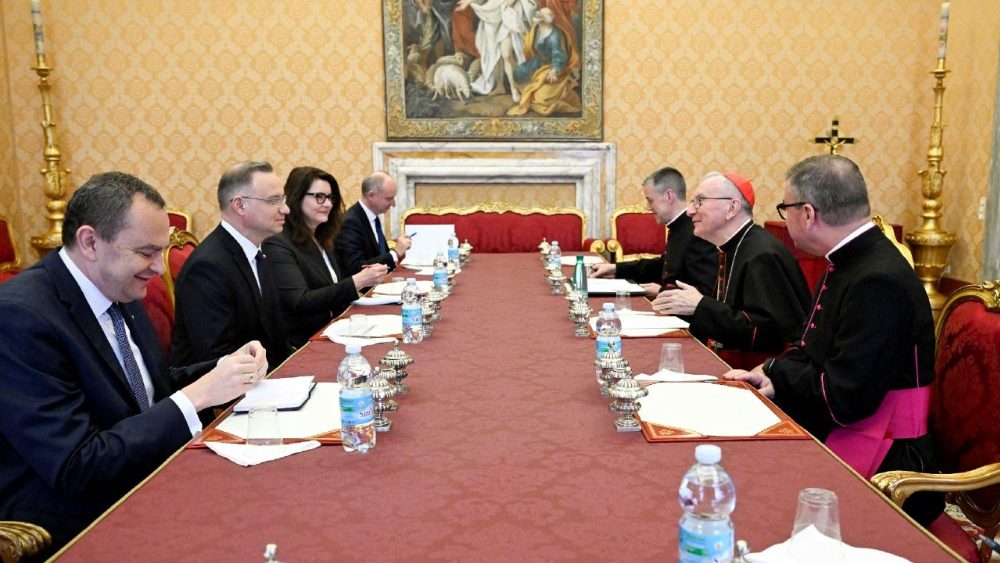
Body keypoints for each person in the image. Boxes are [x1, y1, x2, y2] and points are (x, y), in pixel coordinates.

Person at [0, 172, 268, 550]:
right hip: (74, 517)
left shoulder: (117, 288)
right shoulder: (21, 317)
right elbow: (77, 466)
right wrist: (196, 397)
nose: (160, 268)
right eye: (146, 252)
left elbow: (147, 388)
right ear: (90, 241)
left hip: (143, 473)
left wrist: (224, 370)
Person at [725, 155, 941, 525]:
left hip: (894, 463)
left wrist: (778, 371)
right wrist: (772, 375)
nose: (784, 217)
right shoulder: (852, 261)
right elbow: (814, 350)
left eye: (785, 208)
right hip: (855, 427)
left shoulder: (876, 279)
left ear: (807, 213)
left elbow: (845, 396)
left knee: (751, 492)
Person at [651, 171, 811, 368]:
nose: (690, 211)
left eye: (699, 201)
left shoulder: (762, 255)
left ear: (732, 207)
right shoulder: (730, 247)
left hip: (761, 379)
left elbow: (769, 336)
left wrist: (700, 305)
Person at [172, 161, 292, 369]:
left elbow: (275, 336)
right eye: (274, 200)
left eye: (283, 199)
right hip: (225, 394)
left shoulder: (259, 254)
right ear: (240, 205)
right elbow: (217, 359)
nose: (286, 209)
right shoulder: (207, 268)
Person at [263, 167, 389, 348]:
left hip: (335, 331)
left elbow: (333, 289)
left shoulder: (323, 237)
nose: (328, 204)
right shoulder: (277, 243)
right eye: (319, 197)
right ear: (296, 197)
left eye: (330, 198)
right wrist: (356, 282)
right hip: (304, 343)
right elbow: (300, 301)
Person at [589, 167, 717, 299]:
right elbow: (662, 266)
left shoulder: (697, 232)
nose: (648, 207)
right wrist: (616, 269)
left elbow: (704, 292)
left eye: (650, 200)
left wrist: (662, 291)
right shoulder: (679, 227)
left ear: (669, 196)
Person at [506, 6, 581, 117]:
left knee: (542, 98)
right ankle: (532, 88)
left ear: (546, 20)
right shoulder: (537, 28)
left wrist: (554, 70)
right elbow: (530, 41)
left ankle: (556, 90)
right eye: (539, 13)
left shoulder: (555, 36)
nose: (537, 16)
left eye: (541, 15)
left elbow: (559, 55)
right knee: (518, 74)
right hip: (537, 63)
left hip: (550, 67)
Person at [335, 171, 413, 276]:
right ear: (371, 196)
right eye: (389, 199)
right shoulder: (350, 222)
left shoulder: (373, 217)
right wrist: (395, 253)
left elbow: (378, 255)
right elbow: (357, 268)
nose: (393, 204)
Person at [457, 0, 534, 101]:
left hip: (509, 14)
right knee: (493, 52)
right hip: (492, 15)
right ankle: (500, 86)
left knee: (506, 54)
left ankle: (514, 87)